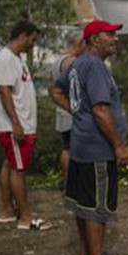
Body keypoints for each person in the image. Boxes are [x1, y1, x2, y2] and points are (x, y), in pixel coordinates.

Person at [49, 20, 128, 255]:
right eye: (110, 34)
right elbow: (100, 110)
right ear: (95, 39)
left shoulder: (78, 64)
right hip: (98, 149)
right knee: (97, 205)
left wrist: (77, 111)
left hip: (80, 145)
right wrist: (119, 146)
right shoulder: (94, 66)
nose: (116, 38)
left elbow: (55, 90)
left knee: (83, 202)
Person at [0, 19, 48, 230]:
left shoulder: (16, 59)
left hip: (21, 124)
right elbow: (4, 92)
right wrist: (15, 123)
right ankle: (25, 217)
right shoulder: (5, 59)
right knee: (19, 170)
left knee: (9, 164)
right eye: (32, 40)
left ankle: (7, 211)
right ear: (22, 36)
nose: (33, 44)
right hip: (14, 126)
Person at [53, 30, 85, 184]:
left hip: (62, 111)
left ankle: (68, 183)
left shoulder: (58, 60)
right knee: (72, 150)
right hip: (71, 111)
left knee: (67, 148)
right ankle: (71, 183)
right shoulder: (71, 62)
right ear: (79, 44)